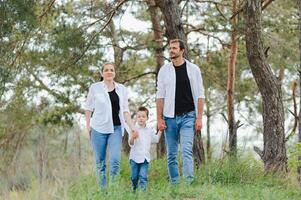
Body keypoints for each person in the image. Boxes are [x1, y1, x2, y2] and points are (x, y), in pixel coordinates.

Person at [156, 39, 205, 184]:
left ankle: (189, 184)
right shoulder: (164, 70)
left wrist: (199, 118)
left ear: (182, 50)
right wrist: (159, 119)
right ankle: (175, 185)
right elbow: (160, 96)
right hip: (170, 118)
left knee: (186, 151)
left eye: (174, 48)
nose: (171, 50)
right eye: (170, 48)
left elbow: (200, 95)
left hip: (189, 116)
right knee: (171, 154)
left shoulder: (193, 69)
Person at [83, 62, 138, 190]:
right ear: (102, 73)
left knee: (115, 161)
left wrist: (132, 127)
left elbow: (125, 110)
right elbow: (88, 108)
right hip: (98, 129)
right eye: (106, 70)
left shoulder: (122, 89)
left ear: (114, 73)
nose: (109, 72)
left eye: (111, 70)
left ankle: (114, 191)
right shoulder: (95, 88)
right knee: (100, 163)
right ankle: (103, 192)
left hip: (116, 129)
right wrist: (88, 126)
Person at [128, 106, 162, 192]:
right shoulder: (133, 129)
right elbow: (130, 143)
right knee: (134, 177)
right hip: (134, 158)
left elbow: (156, 140)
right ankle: (134, 190)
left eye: (143, 116)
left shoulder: (150, 129)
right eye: (139, 116)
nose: (141, 118)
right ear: (136, 117)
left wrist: (161, 130)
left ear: (147, 118)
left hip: (145, 158)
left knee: (143, 177)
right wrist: (133, 137)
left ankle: (143, 194)